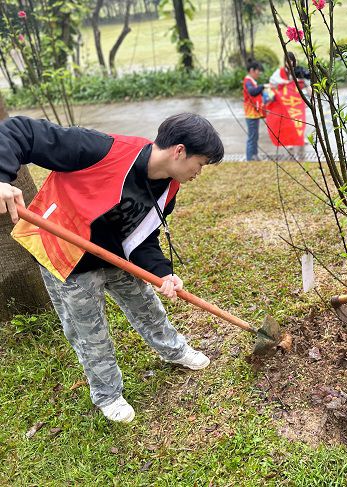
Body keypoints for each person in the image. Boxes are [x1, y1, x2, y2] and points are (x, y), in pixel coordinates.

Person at [0, 113, 224, 422]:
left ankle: (173, 350)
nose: (200, 171)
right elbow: (19, 131)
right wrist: (1, 177)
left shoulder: (167, 189)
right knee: (89, 332)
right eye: (200, 163)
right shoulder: (100, 150)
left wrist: (162, 273)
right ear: (179, 151)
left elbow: (143, 237)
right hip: (67, 259)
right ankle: (107, 395)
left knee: (147, 305)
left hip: (115, 257)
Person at [269, 52, 310, 159]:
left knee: (300, 120)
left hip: (297, 102)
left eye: (291, 60)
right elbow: (272, 81)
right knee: (288, 122)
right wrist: (285, 82)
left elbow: (306, 83)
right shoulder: (280, 72)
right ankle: (289, 141)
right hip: (286, 102)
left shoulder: (298, 71)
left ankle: (300, 137)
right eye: (287, 60)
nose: (289, 63)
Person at [243, 59, 269, 161]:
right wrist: (263, 86)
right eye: (258, 71)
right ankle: (250, 158)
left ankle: (254, 156)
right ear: (252, 70)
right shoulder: (248, 81)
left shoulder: (252, 81)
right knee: (252, 137)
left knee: (254, 136)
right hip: (251, 114)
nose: (259, 73)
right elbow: (252, 92)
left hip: (254, 113)